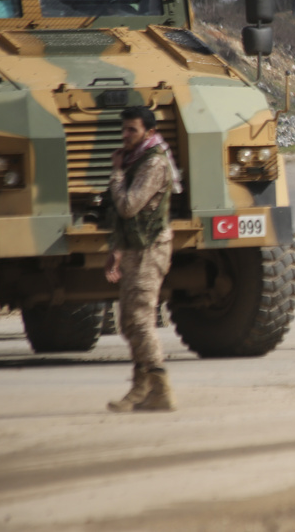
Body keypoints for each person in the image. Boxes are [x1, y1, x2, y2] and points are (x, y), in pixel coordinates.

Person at [104, 105, 182, 412]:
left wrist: (116, 174)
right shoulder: (135, 160)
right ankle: (141, 388)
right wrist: (116, 249)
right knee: (128, 321)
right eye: (123, 130)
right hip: (134, 248)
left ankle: (160, 388)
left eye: (131, 130)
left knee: (140, 319)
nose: (125, 135)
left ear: (149, 132)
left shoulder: (153, 164)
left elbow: (127, 206)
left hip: (151, 249)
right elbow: (123, 219)